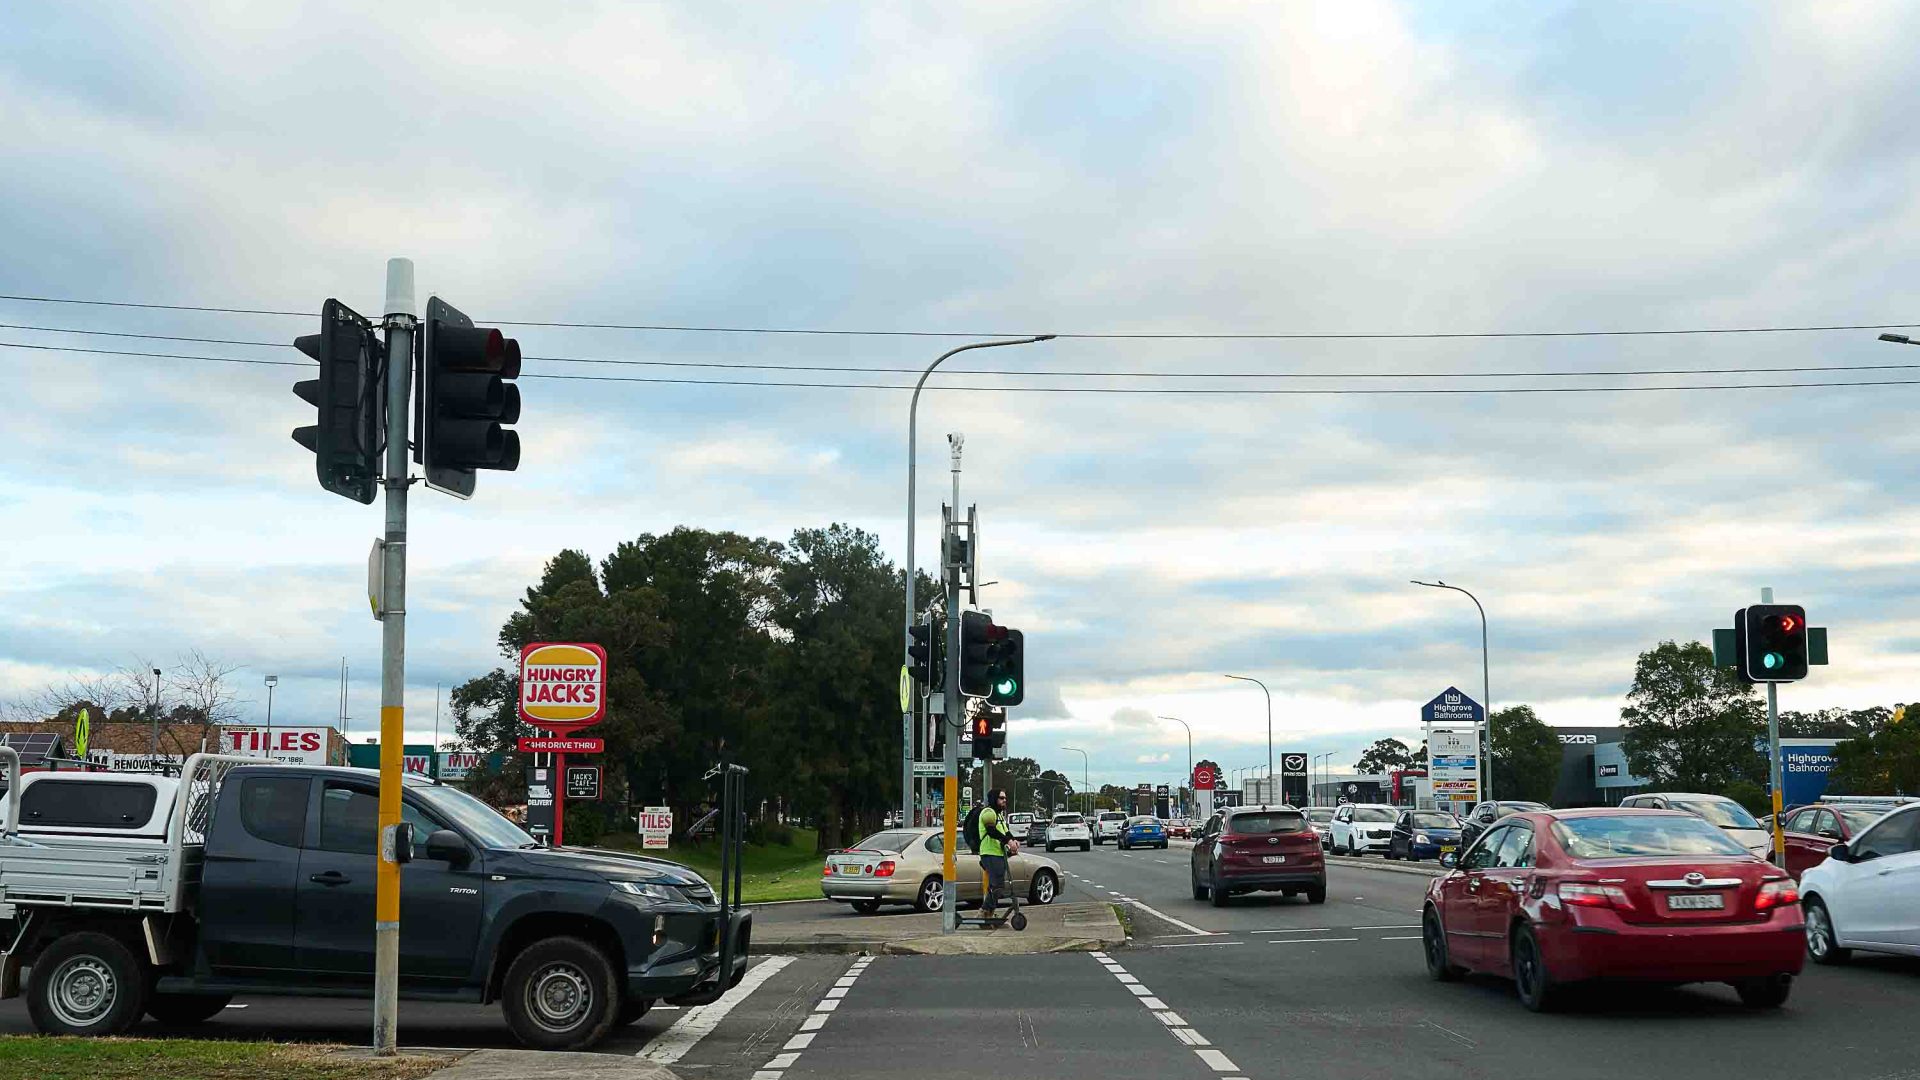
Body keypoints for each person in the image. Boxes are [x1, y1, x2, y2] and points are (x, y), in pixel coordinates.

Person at [977, 788, 1019, 922]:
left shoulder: (1000, 816)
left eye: (1005, 798)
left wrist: (1013, 841)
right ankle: (983, 913)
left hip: (999, 854)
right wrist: (1008, 841)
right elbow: (991, 831)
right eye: (1001, 798)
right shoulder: (988, 813)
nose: (1004, 800)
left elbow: (1006, 832)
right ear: (994, 799)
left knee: (998, 886)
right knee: (997, 886)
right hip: (989, 853)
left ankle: (989, 914)